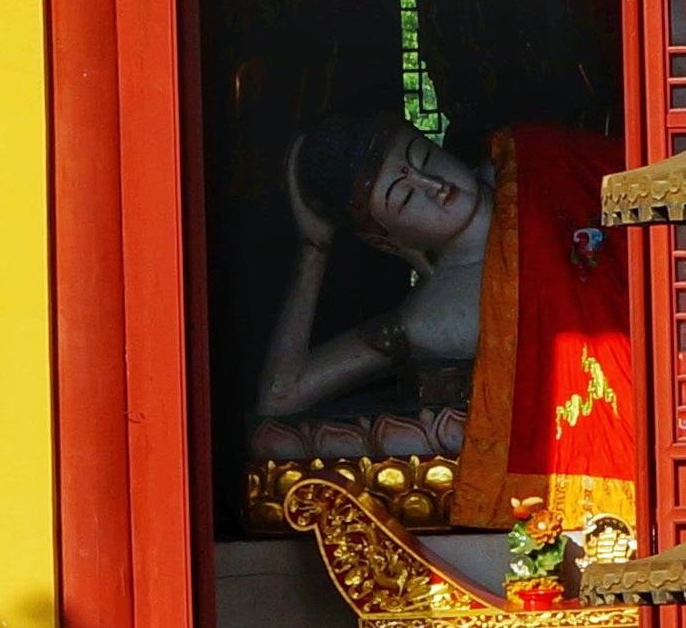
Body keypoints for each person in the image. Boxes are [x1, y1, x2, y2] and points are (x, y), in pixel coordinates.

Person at [257, 113, 641, 538]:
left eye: (425, 156)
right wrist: (314, 247)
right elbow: (282, 395)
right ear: (386, 241)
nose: (436, 187)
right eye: (405, 198)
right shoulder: (433, 314)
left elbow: (652, 174)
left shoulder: (532, 154)